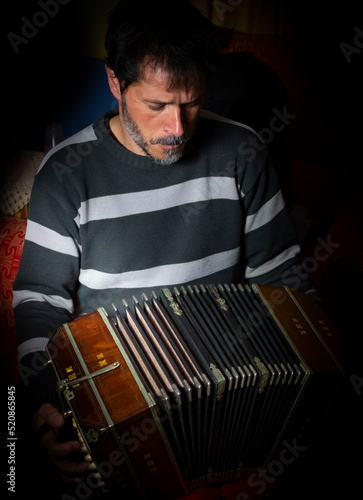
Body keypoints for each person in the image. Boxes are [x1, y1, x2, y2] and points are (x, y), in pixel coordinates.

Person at [13, 0, 313, 495]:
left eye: (191, 102)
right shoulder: (67, 174)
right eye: (157, 105)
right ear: (115, 83)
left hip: (230, 398)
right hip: (112, 402)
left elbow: (284, 283)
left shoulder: (243, 152)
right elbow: (39, 300)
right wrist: (43, 402)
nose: (177, 128)